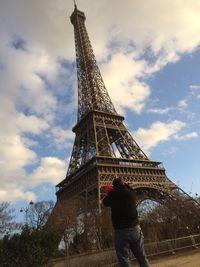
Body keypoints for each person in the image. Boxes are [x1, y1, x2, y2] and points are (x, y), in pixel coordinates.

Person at [103, 178, 150, 267]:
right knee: (142, 257)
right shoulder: (131, 193)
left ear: (114, 186)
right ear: (123, 183)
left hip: (121, 231)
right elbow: (129, 188)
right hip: (135, 229)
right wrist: (125, 185)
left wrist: (110, 192)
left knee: (124, 258)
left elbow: (105, 202)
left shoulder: (113, 195)